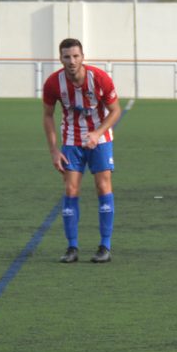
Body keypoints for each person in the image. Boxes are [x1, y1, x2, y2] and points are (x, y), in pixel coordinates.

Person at [43, 38, 121, 264]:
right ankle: (72, 248)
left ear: (83, 57)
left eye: (76, 56)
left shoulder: (100, 78)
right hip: (71, 140)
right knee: (70, 189)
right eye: (67, 57)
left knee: (103, 185)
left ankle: (105, 246)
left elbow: (115, 110)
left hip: (100, 140)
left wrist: (97, 133)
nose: (71, 61)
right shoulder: (53, 83)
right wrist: (54, 150)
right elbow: (47, 115)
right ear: (60, 59)